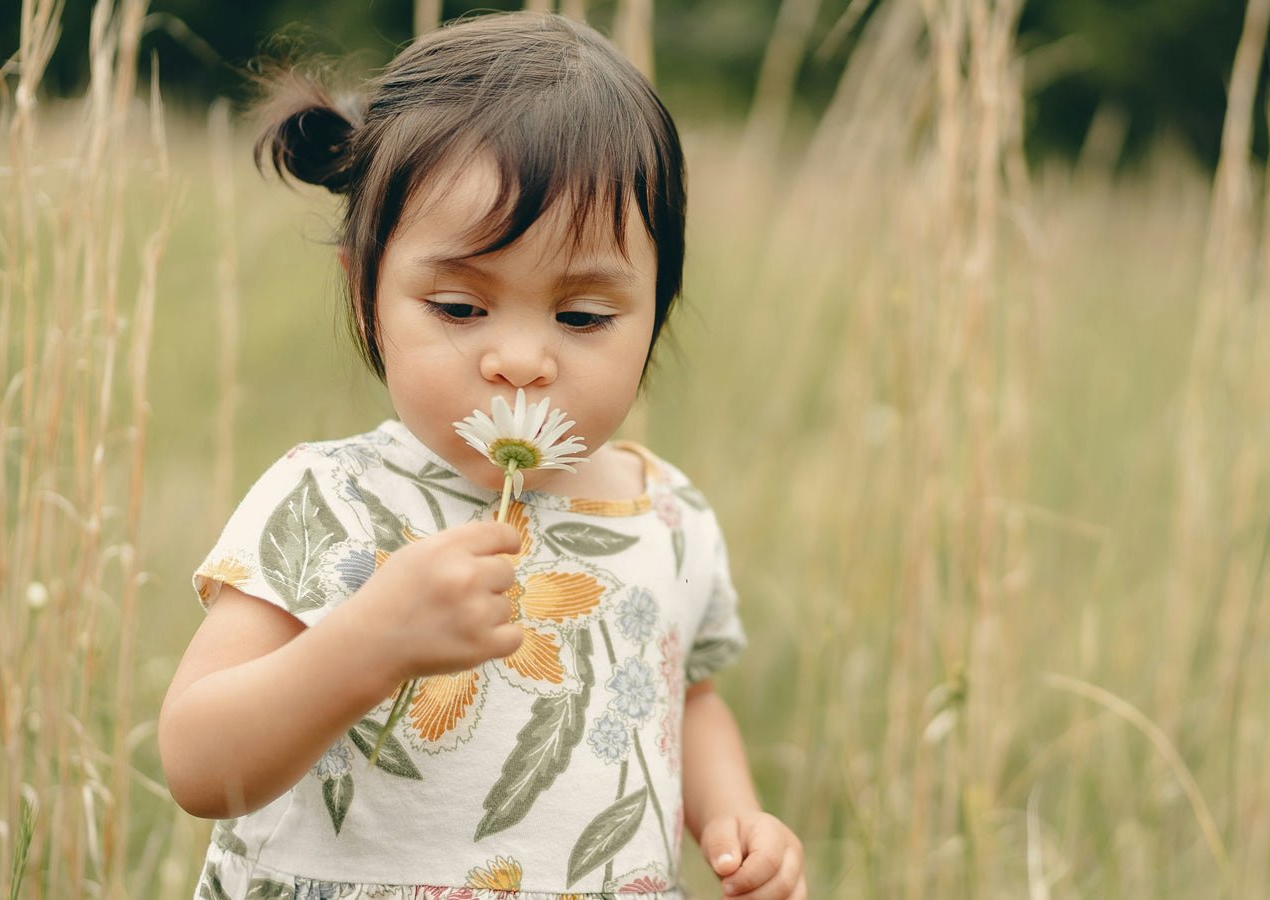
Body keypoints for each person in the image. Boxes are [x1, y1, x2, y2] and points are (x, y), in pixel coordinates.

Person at [157, 12, 806, 899]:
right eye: (461, 309)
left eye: (582, 317)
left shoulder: (669, 516)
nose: (523, 359)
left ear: (658, 308)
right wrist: (365, 645)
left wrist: (735, 819)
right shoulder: (332, 500)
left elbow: (687, 695)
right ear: (366, 289)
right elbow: (199, 764)